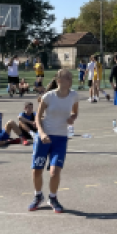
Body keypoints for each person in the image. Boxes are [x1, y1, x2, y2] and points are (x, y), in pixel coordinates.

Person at [28, 69, 79, 214]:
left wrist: (72, 118)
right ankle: (38, 196)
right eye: (67, 77)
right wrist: (42, 133)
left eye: (71, 77)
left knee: (54, 172)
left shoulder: (74, 96)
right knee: (37, 171)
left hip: (61, 138)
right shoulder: (48, 97)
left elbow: (75, 112)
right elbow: (37, 117)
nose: (70, 79)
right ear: (59, 81)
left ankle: (53, 197)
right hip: (44, 137)